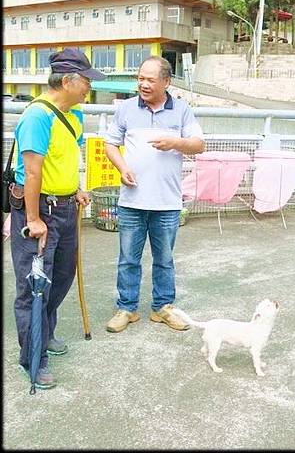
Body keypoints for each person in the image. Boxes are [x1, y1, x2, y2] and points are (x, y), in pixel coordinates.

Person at [10, 48, 106, 389]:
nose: (88, 90)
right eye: (85, 83)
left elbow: (66, 159)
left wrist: (76, 188)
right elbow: (32, 172)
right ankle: (34, 360)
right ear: (67, 80)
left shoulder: (74, 114)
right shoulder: (37, 116)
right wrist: (33, 219)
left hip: (66, 207)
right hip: (39, 212)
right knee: (34, 287)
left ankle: (45, 332)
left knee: (62, 276)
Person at [104, 56, 205, 333]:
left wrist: (176, 142)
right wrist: (122, 167)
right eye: (140, 78)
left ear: (166, 81)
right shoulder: (125, 109)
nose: (143, 84)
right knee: (128, 259)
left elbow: (198, 145)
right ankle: (127, 308)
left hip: (167, 202)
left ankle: (163, 308)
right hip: (131, 201)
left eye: (150, 79)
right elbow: (111, 145)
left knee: (164, 259)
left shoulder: (182, 110)